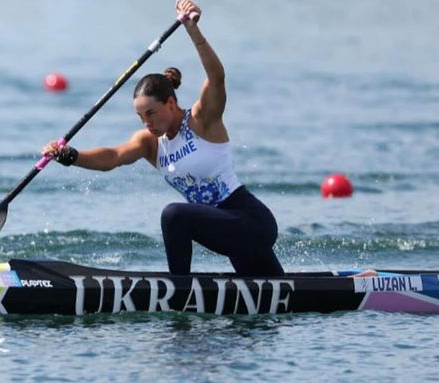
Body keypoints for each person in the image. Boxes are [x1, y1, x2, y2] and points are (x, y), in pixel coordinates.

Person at [42, 0, 284, 277]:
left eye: (151, 113)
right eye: (140, 116)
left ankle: (178, 288)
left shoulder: (202, 120)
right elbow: (112, 157)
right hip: (225, 231)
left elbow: (216, 77)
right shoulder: (150, 143)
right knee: (277, 295)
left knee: (174, 215)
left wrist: (193, 30)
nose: (147, 122)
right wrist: (69, 156)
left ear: (170, 103)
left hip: (251, 222)